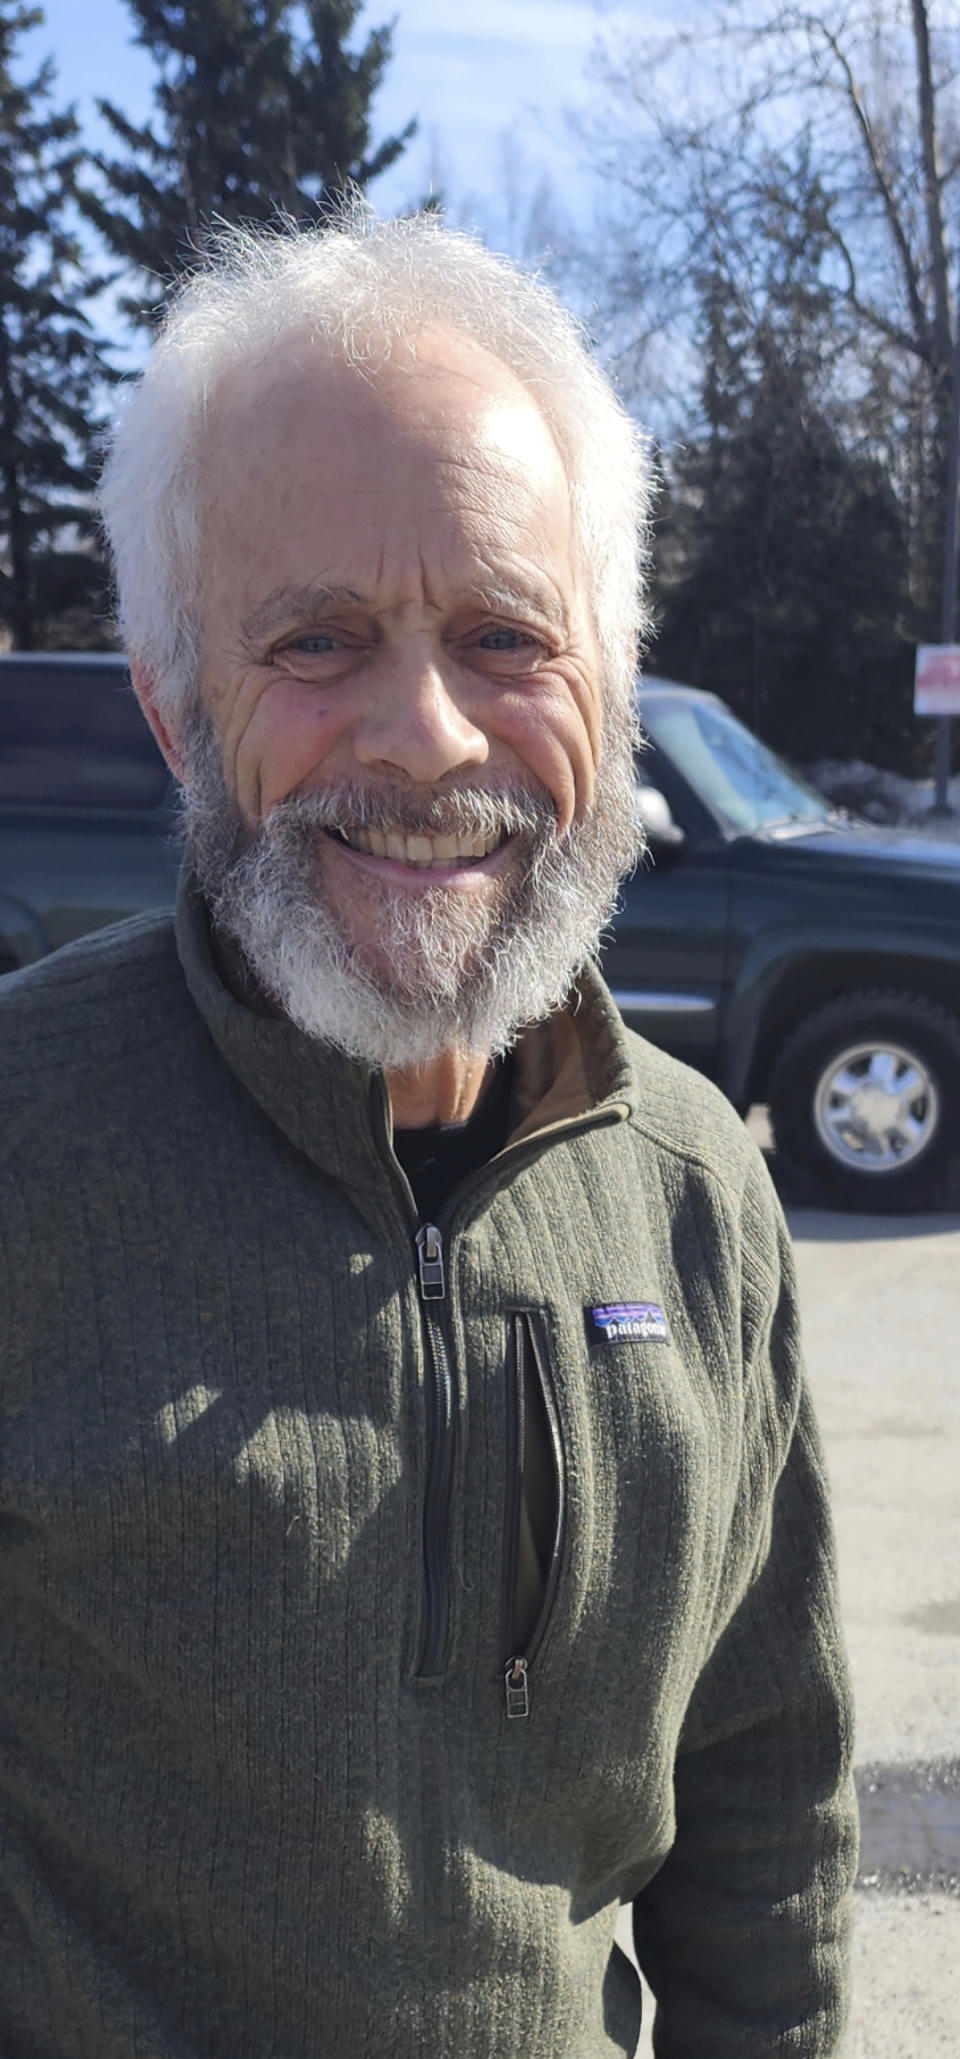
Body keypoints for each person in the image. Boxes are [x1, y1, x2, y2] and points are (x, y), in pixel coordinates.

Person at [0, 208, 857, 2057]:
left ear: (609, 694)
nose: (429, 732)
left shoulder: (698, 1189)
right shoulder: (18, 1155)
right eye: (317, 639)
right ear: (173, 708)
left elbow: (765, 1809)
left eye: (503, 634)